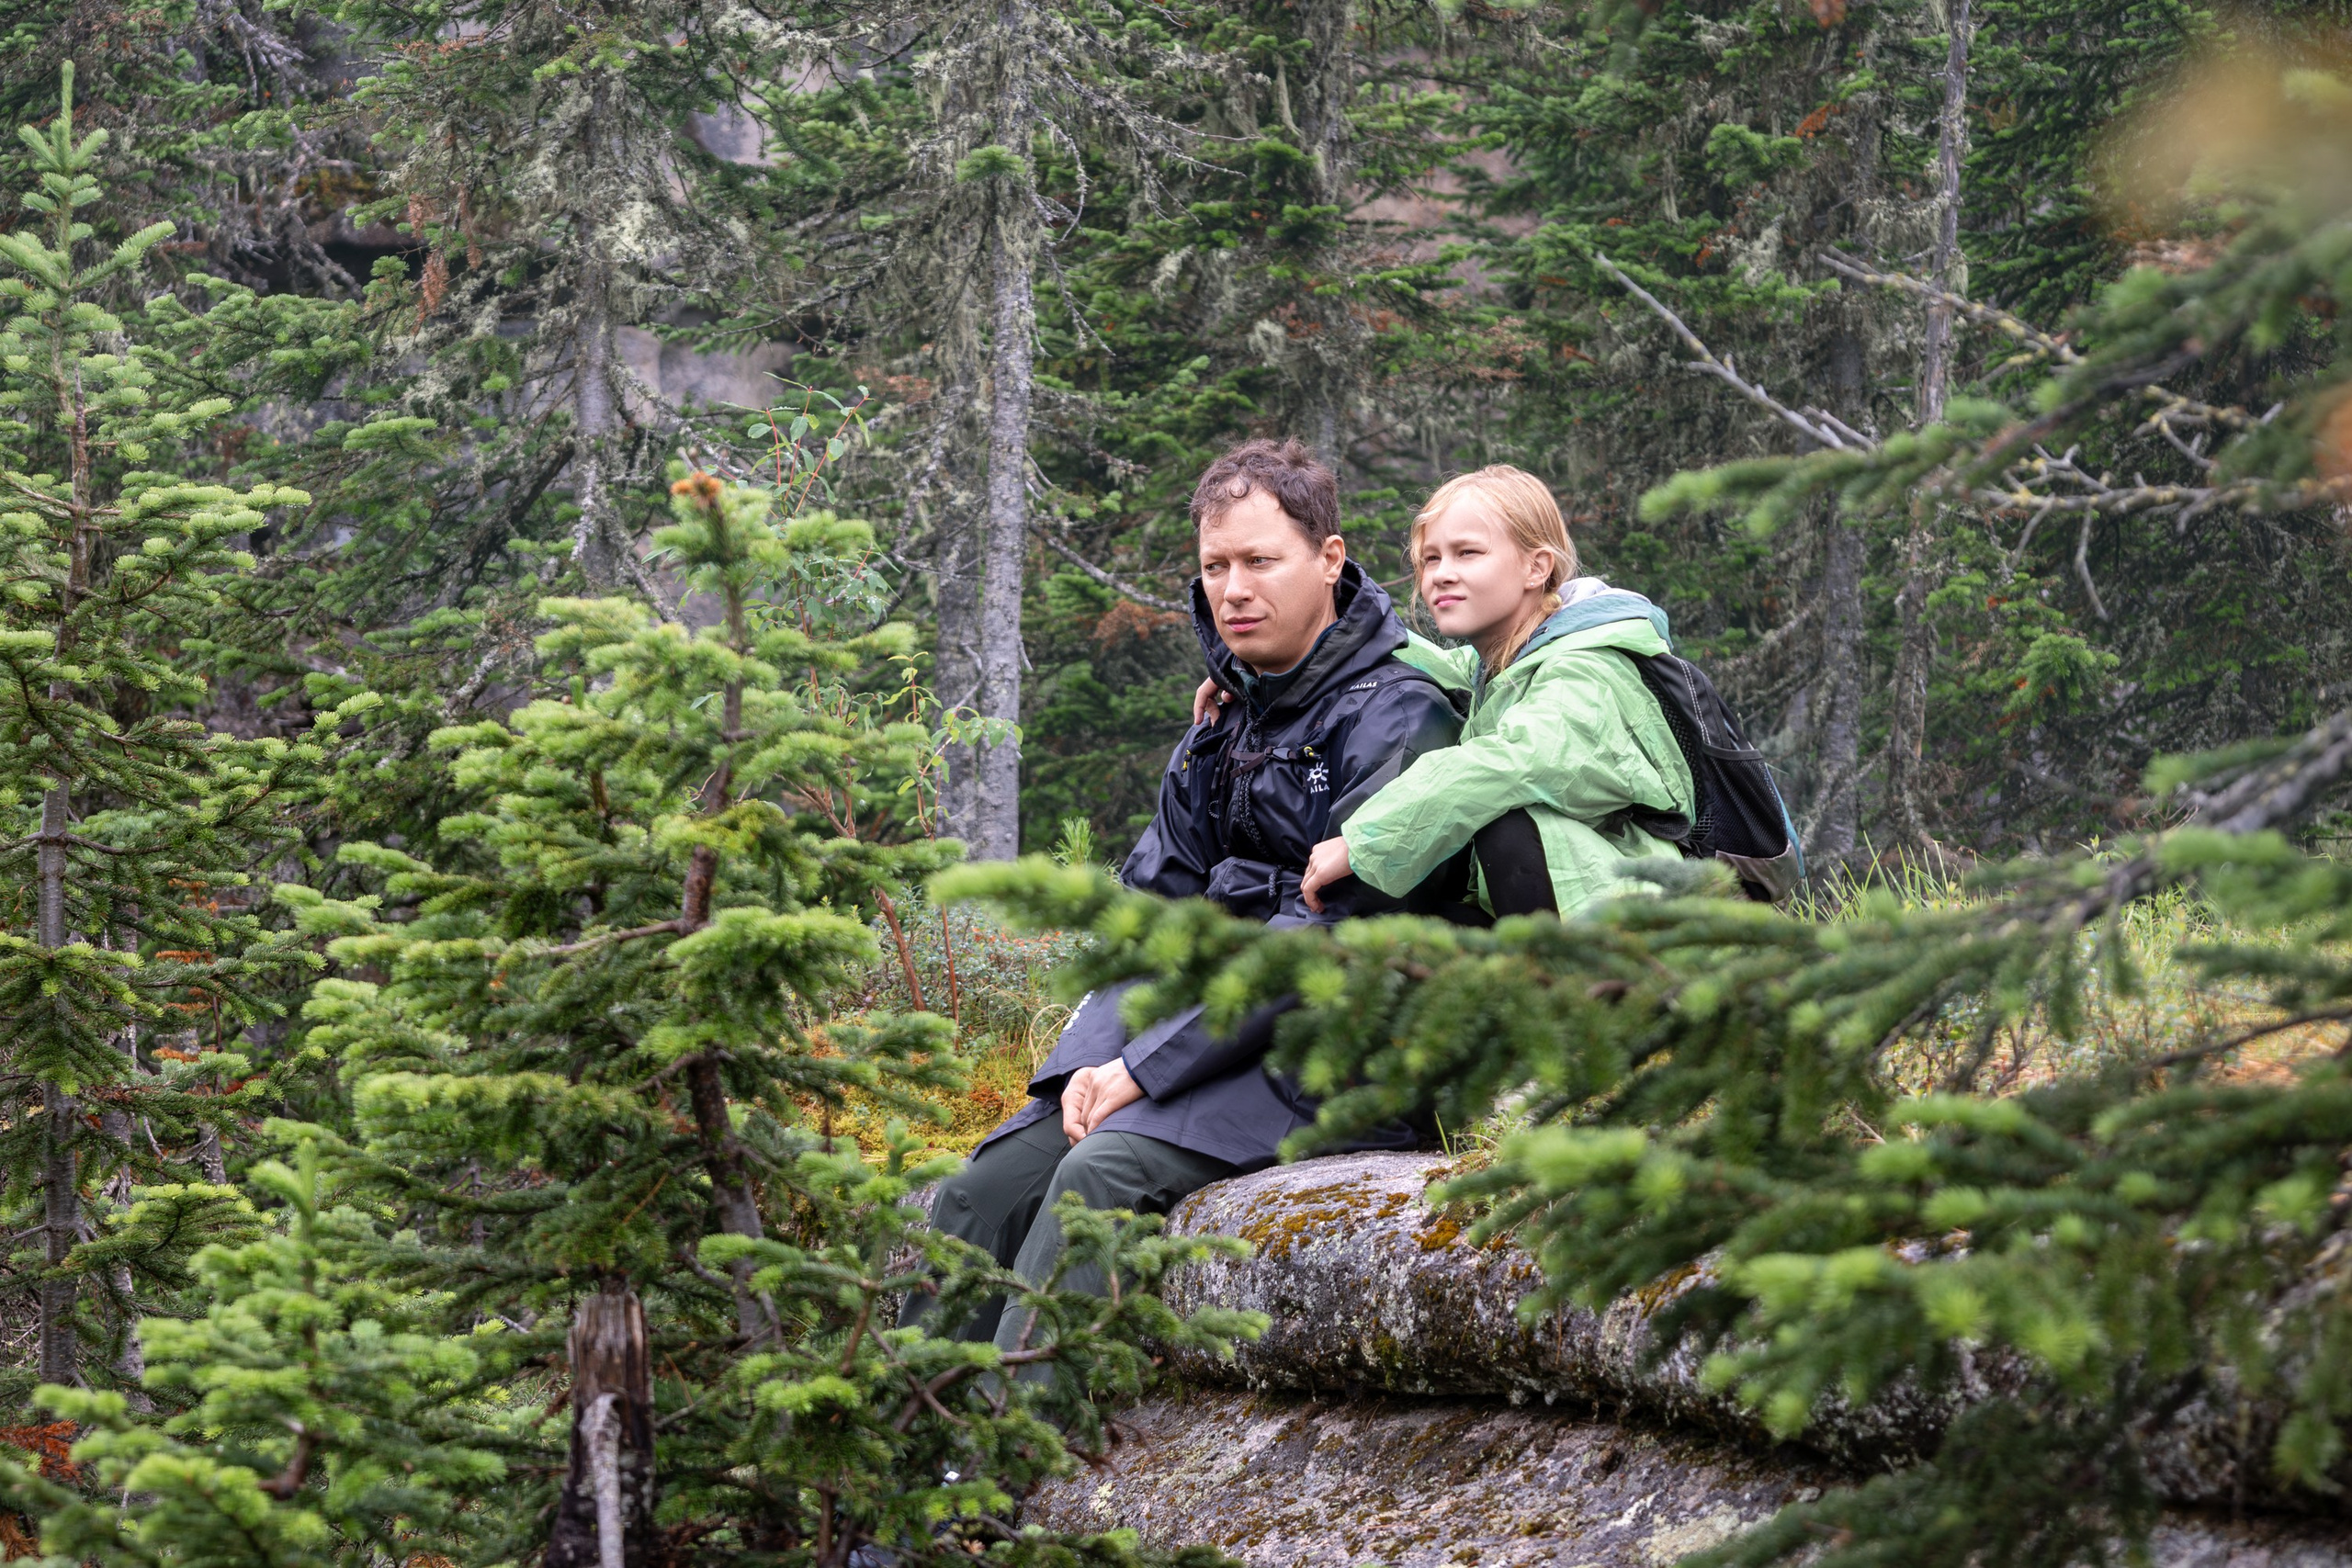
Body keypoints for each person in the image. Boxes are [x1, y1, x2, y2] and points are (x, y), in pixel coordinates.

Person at [908, 437, 1467, 1351]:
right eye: (1215, 566)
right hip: (1201, 1045)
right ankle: (909, 1430)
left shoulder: (1401, 717)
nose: (1233, 589)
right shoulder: (1224, 720)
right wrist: (1087, 1068)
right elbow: (1148, 914)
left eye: (1260, 561)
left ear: (1329, 559)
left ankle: (1018, 1431)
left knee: (1100, 1175)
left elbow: (1328, 938)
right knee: (984, 1189)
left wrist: (1143, 1070)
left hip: (1334, 1058)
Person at [1285, 464, 1694, 921]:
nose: (1441, 574)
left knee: (1505, 824)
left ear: (1536, 568)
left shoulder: (1586, 669)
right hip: (1555, 904)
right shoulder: (1504, 663)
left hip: (1639, 920)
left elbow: (1511, 760)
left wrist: (1365, 841)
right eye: (1431, 559)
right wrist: (1269, 660)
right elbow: (1427, 661)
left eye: (1467, 553)